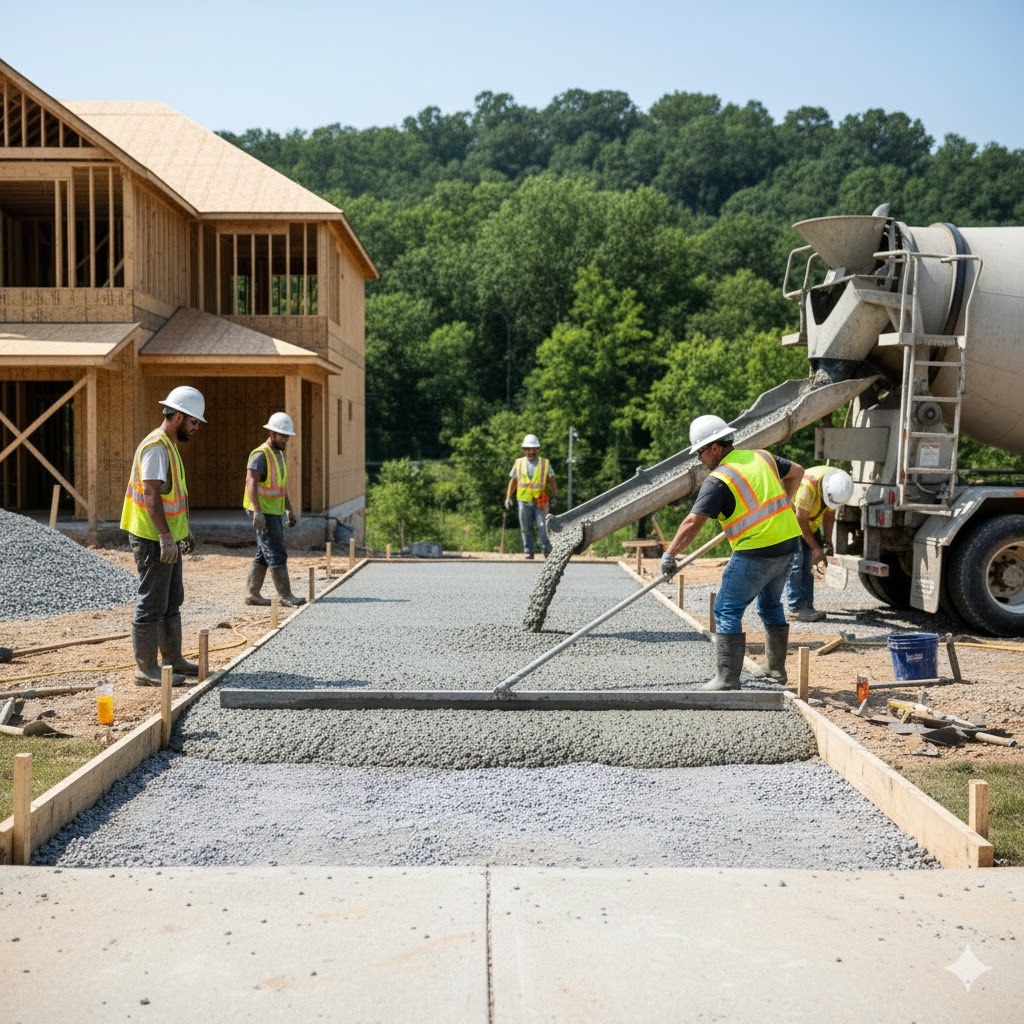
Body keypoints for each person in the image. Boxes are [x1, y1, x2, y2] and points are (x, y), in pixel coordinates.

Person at [659, 415, 804, 691]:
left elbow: (692, 523)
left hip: (756, 550)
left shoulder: (719, 480)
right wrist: (787, 500)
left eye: (700, 452)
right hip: (787, 544)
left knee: (726, 608)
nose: (699, 459)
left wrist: (670, 554)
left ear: (715, 448)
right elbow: (797, 471)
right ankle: (775, 671)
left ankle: (726, 679)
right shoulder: (762, 457)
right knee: (770, 605)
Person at [120, 386, 206, 687]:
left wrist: (183, 532)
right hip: (151, 538)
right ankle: (145, 668)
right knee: (151, 602)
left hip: (166, 537)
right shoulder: (156, 446)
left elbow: (173, 497)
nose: (196, 428)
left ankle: (172, 659)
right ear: (179, 416)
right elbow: (151, 494)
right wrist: (166, 537)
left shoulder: (169, 445)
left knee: (172, 600)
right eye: (194, 422)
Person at [242, 412, 305, 607]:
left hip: (274, 510)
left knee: (264, 551)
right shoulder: (260, 455)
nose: (286, 439)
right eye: (282, 436)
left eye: (287, 436)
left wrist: (289, 508)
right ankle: (286, 595)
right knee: (276, 550)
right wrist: (257, 511)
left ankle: (252, 594)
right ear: (271, 433)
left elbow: (280, 486)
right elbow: (250, 482)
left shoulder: (278, 454)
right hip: (262, 510)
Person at [786, 467, 855, 622]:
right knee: (797, 563)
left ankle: (807, 606)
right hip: (793, 522)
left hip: (809, 524)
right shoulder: (807, 488)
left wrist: (827, 541)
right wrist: (816, 549)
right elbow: (800, 522)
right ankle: (796, 607)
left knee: (809, 564)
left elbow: (829, 515)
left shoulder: (836, 484)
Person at [504, 434, 558, 559]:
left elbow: (552, 480)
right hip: (523, 500)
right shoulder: (519, 463)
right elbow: (513, 481)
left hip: (541, 501)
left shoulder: (545, 463)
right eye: (528, 449)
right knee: (526, 527)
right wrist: (508, 497)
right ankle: (528, 550)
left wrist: (555, 495)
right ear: (524, 450)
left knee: (542, 525)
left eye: (533, 449)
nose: (530, 452)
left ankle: (546, 549)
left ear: (537, 449)